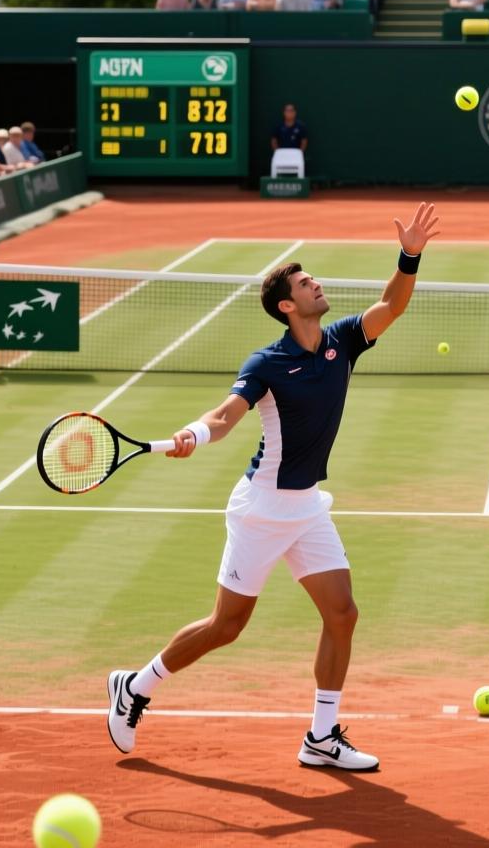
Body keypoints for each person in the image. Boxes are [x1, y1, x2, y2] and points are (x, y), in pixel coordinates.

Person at [105, 203, 441, 770]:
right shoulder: (266, 362)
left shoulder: (341, 342)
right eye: (307, 282)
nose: (317, 284)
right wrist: (191, 434)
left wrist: (409, 255)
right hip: (262, 509)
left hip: (307, 506)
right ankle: (136, 686)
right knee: (226, 626)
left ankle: (321, 737)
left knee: (342, 613)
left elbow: (391, 305)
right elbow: (223, 416)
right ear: (288, 305)